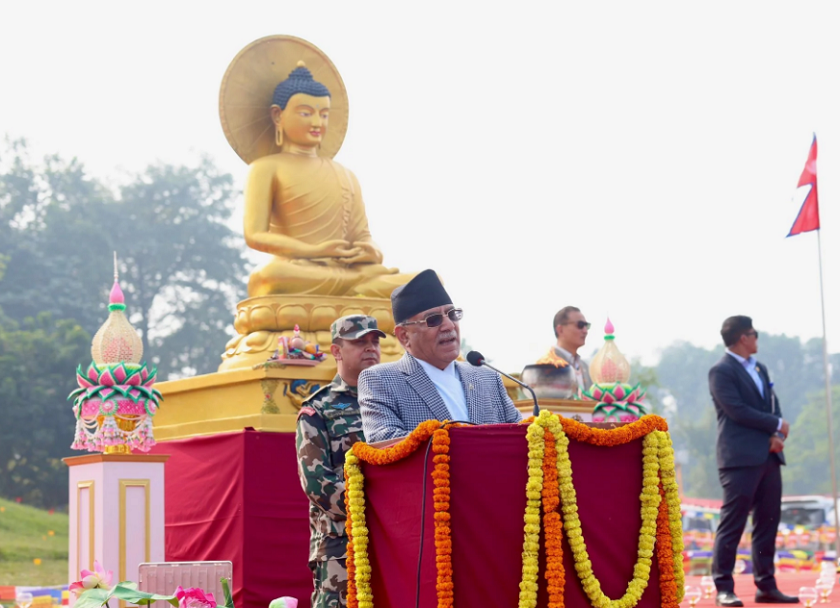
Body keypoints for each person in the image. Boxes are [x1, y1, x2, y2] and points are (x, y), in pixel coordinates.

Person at [242, 62, 410, 297]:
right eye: (305, 113)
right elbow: (255, 235)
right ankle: (358, 290)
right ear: (277, 115)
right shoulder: (265, 168)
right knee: (268, 277)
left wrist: (372, 252)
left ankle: (356, 287)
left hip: (349, 270)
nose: (317, 123)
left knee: (427, 282)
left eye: (323, 114)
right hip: (296, 272)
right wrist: (313, 251)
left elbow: (362, 235)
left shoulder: (346, 175)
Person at [359, 269, 522, 443]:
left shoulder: (488, 378)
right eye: (433, 320)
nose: (449, 325)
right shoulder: (381, 380)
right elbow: (384, 442)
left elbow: (521, 435)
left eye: (453, 314)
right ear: (404, 336)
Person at [295, 315, 387, 608]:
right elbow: (317, 484)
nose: (370, 348)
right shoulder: (318, 409)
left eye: (374, 341)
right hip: (341, 543)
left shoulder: (391, 400)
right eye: (360, 342)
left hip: (393, 537)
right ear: (336, 351)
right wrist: (376, 511)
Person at [708, 316, 797, 606]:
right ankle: (724, 586)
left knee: (768, 521)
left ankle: (766, 584)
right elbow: (737, 411)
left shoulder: (760, 368)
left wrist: (776, 432)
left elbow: (772, 403)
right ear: (742, 338)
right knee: (733, 523)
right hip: (740, 458)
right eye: (754, 334)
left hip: (769, 455)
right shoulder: (721, 371)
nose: (757, 339)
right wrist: (775, 423)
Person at [536, 306, 592, 393]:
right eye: (580, 325)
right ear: (560, 330)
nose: (585, 331)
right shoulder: (547, 364)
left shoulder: (586, 367)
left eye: (586, 326)